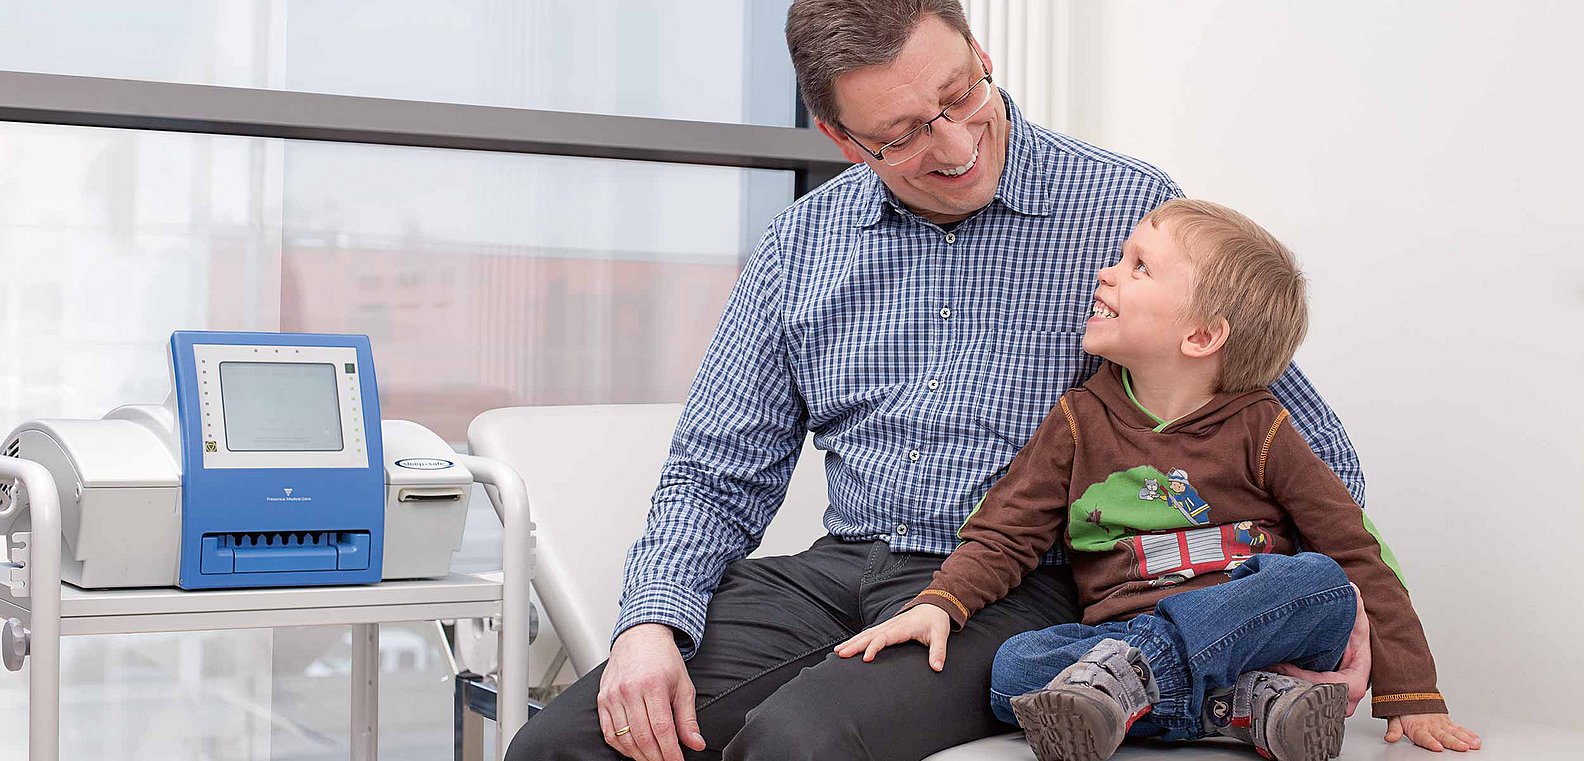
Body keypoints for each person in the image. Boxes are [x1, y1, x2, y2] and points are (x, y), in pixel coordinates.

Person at [507, 2, 1368, 759]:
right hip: (834, 568)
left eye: (960, 98)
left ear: (980, 53)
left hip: (1011, 583)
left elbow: (1299, 437)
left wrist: (1336, 594)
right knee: (559, 744)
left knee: (799, 741)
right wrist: (650, 622)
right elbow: (713, 470)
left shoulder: (1126, 211)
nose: (954, 146)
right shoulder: (802, 245)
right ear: (842, 140)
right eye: (906, 133)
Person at [835, 200, 1480, 760]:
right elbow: (1006, 532)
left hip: (1254, 628)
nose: (1106, 273)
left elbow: (1354, 550)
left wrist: (1411, 691)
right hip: (1118, 637)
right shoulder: (1078, 421)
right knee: (1014, 669)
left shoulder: (1266, 430)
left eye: (1138, 266)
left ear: (1200, 335)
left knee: (1318, 582)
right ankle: (1241, 709)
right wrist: (940, 601)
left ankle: (1142, 677)